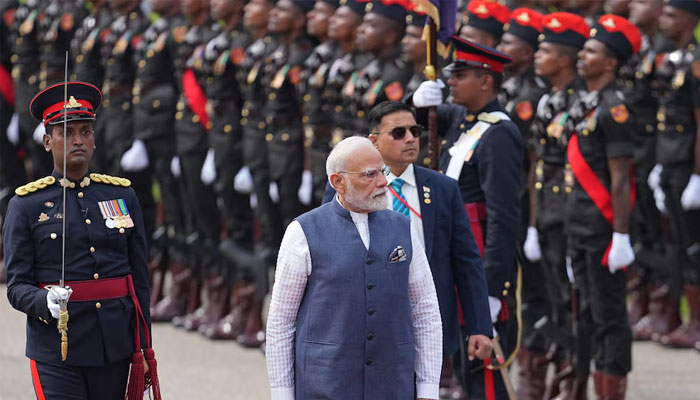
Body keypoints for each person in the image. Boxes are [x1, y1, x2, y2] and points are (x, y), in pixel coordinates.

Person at [322, 101, 493, 399]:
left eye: (414, 131)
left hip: (425, 317)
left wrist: (480, 325)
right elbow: (328, 254)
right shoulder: (350, 186)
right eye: (398, 133)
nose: (411, 139)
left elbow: (466, 261)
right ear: (373, 140)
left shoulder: (442, 189)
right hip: (366, 320)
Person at [3, 81, 155, 400]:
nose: (77, 141)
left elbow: (139, 280)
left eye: (85, 132)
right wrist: (43, 301)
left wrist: (144, 346)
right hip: (57, 347)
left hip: (113, 345)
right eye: (67, 133)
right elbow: (16, 286)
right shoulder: (26, 205)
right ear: (48, 141)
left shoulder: (121, 195)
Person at [266, 136, 442, 399]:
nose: (383, 182)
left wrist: (428, 388)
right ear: (338, 182)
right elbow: (281, 321)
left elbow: (425, 309)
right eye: (369, 175)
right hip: (324, 385)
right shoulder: (303, 231)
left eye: (382, 171)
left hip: (392, 384)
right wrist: (282, 394)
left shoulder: (403, 227)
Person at [412, 37, 523, 400]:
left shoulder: (500, 133)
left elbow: (503, 218)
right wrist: (417, 103)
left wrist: (490, 290)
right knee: (465, 367)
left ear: (486, 81)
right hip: (458, 257)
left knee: (485, 373)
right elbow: (417, 125)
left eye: (461, 76)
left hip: (480, 266)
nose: (451, 83)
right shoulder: (462, 117)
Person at [566, 14, 640, 398]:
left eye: (591, 51)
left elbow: (621, 177)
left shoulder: (615, 107)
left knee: (609, 315)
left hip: (603, 228)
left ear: (610, 62)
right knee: (586, 313)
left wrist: (622, 235)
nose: (582, 55)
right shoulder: (584, 101)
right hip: (578, 225)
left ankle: (612, 388)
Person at [528, 11, 590, 399]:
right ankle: (561, 367)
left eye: (546, 49)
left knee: (576, 300)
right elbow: (538, 165)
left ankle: (575, 379)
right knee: (554, 295)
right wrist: (535, 223)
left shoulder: (583, 103)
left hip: (574, 214)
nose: (538, 55)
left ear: (565, 58)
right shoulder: (547, 99)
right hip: (548, 213)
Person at [495, 9, 552, 399]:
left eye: (508, 43)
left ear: (529, 53)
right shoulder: (504, 89)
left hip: (523, 205)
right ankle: (504, 367)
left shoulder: (531, 96)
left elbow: (533, 163)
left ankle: (532, 370)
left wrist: (531, 221)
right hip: (504, 201)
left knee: (531, 293)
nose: (500, 48)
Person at [652, 0, 700, 350]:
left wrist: (698, 175)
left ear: (688, 18)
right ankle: (682, 320)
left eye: (671, 14)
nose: (663, 20)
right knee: (676, 244)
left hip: (688, 164)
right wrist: (659, 163)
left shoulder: (696, 63)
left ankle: (696, 323)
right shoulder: (671, 58)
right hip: (669, 162)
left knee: (693, 246)